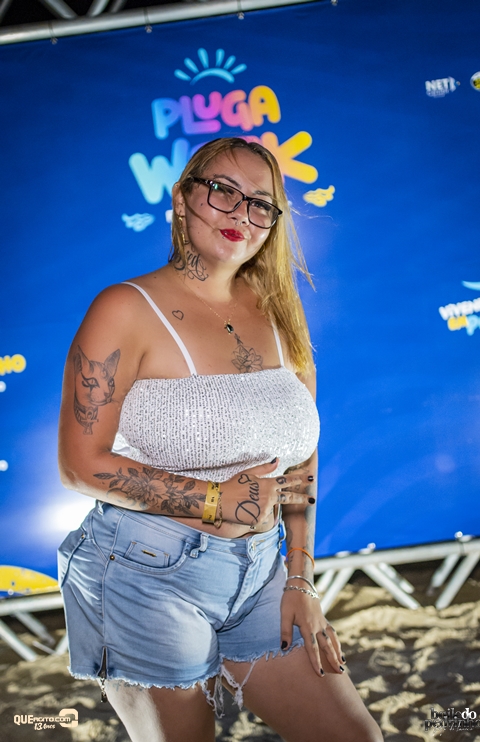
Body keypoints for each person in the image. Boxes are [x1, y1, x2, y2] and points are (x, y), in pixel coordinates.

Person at [58, 137, 383, 742]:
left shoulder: (279, 308)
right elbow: (80, 465)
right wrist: (212, 499)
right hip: (143, 573)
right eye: (222, 191)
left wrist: (300, 578)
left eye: (260, 203)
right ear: (183, 198)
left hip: (260, 572)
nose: (241, 213)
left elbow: (300, 454)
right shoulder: (124, 308)